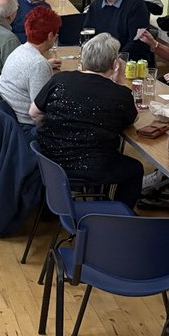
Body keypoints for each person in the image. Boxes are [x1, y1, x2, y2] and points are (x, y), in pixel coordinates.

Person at [30, 33, 142, 208]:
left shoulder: (60, 78)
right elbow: (131, 119)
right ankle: (118, 217)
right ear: (115, 64)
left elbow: (34, 113)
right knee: (135, 169)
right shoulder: (119, 94)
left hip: (50, 160)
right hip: (92, 166)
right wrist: (120, 82)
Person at [0, 7, 62, 125]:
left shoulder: (20, 50)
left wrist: (46, 64)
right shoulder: (38, 65)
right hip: (25, 125)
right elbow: (39, 112)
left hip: (9, 119)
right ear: (50, 36)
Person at [82, 0, 153, 64]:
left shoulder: (136, 5)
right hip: (99, 62)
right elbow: (87, 34)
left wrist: (114, 61)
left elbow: (137, 43)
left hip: (129, 62)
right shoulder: (95, 6)